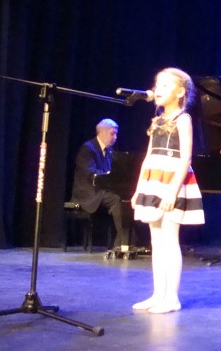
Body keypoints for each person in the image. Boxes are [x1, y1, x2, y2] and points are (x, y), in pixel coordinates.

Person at [131, 68, 205, 314]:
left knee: (169, 238)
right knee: (156, 240)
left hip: (173, 182)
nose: (158, 89)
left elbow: (185, 158)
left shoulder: (183, 119)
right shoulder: (157, 121)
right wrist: (139, 188)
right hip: (154, 180)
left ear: (180, 92)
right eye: (157, 84)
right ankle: (157, 294)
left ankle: (171, 298)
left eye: (165, 85)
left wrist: (172, 191)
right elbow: (148, 157)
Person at [71, 118, 129, 250]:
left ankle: (124, 241)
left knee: (126, 199)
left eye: (116, 134)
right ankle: (123, 242)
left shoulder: (109, 151)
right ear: (102, 132)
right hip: (88, 192)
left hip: (102, 191)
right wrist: (108, 175)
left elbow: (111, 172)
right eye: (112, 133)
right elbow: (90, 173)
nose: (115, 137)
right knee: (116, 199)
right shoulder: (88, 148)